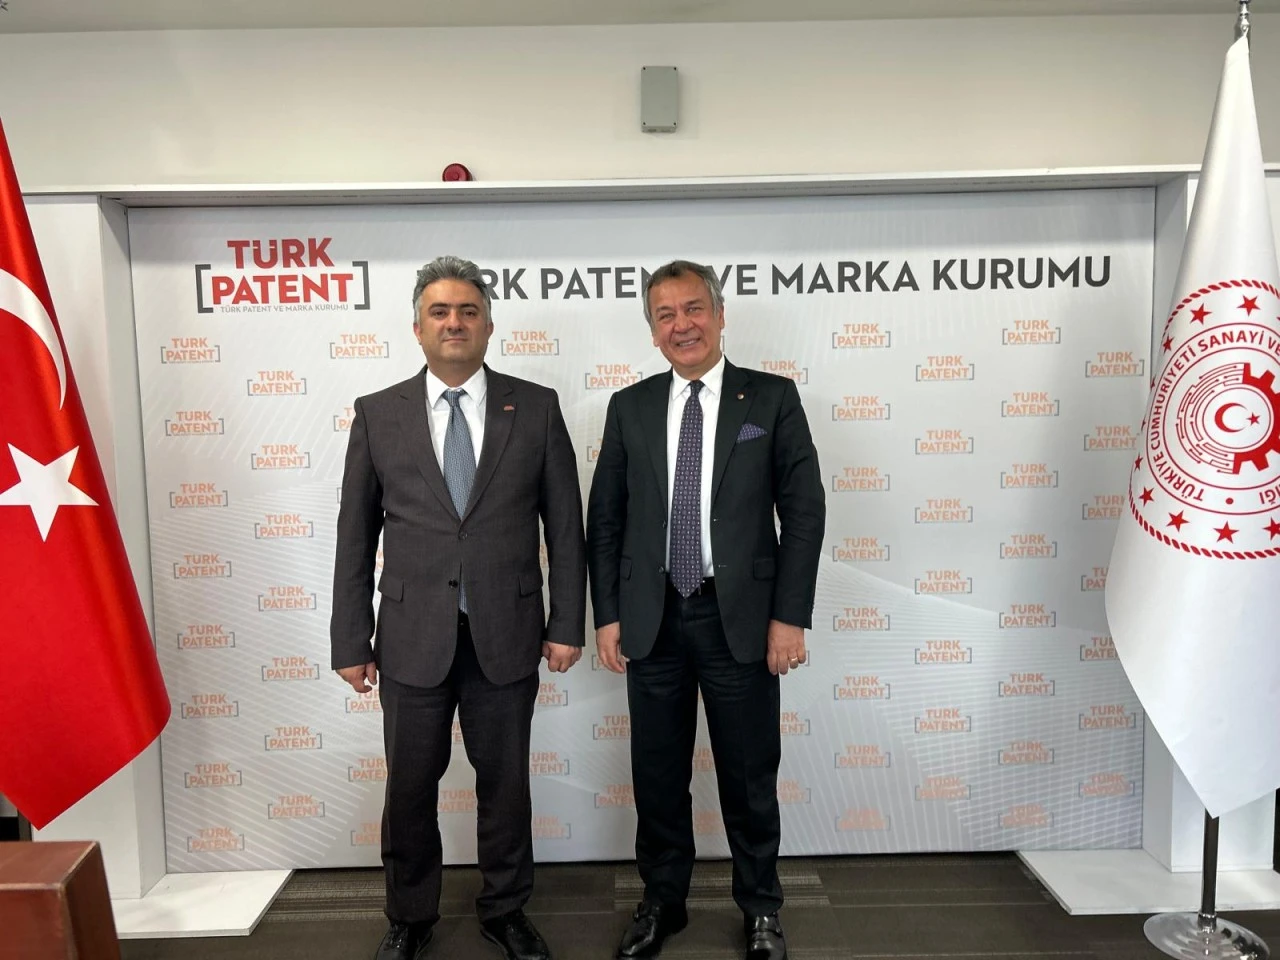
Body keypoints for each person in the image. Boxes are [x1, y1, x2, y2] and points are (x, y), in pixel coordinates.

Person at [332, 255, 586, 960]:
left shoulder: (535, 407)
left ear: (488, 326)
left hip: (507, 631)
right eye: (440, 312)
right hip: (410, 637)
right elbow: (355, 536)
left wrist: (567, 623)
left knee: (505, 785)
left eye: (468, 311)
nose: (454, 323)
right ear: (417, 328)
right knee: (410, 787)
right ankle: (410, 915)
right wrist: (351, 639)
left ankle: (506, 909)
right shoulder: (378, 413)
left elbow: (565, 527)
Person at [587, 260, 825, 960]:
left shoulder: (771, 399)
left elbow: (803, 512)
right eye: (665, 315)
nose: (682, 325)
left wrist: (789, 616)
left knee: (749, 774)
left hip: (740, 618)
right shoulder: (629, 407)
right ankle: (663, 902)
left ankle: (761, 909)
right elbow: (606, 519)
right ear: (652, 330)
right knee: (657, 773)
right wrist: (607, 615)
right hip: (652, 617)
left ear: (720, 316)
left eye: (693, 309)